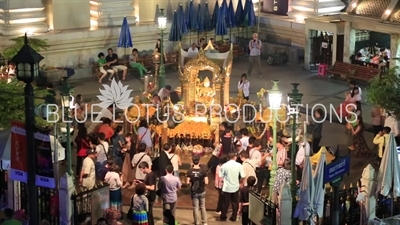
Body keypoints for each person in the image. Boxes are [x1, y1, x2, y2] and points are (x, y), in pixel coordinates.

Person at [218, 153, 245, 222]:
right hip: (235, 186)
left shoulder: (224, 166)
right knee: (235, 203)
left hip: (227, 187)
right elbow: (243, 175)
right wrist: (240, 182)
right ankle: (234, 216)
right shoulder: (239, 165)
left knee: (225, 203)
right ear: (235, 157)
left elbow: (220, 176)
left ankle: (223, 216)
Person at [186, 155, 208, 225]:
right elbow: (207, 182)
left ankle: (197, 222)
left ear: (192, 161)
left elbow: (187, 182)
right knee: (202, 207)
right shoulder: (203, 171)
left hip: (194, 192)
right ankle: (204, 222)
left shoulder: (190, 171)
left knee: (195, 207)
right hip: (202, 191)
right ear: (199, 161)